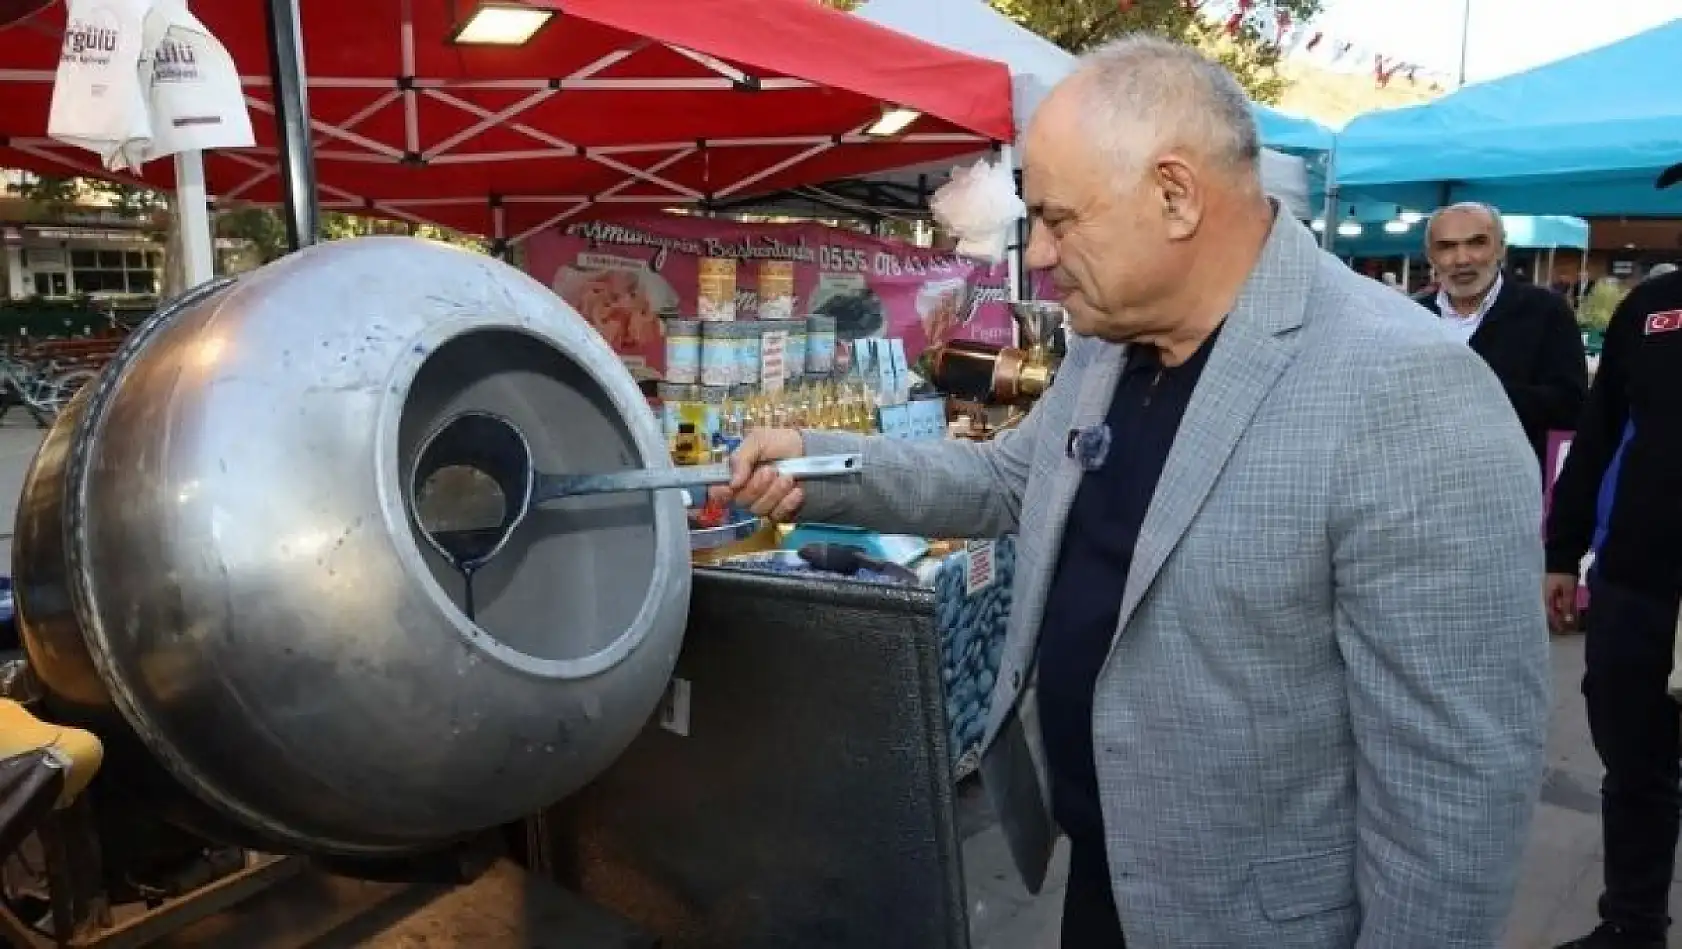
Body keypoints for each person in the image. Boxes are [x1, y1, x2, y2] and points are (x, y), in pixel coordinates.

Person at [715, 36, 1549, 949]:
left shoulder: (1407, 390)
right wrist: (818, 463)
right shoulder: (1111, 346)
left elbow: (1454, 787)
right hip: (1110, 883)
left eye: (1059, 218)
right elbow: (1006, 478)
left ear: (1176, 195)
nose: (1035, 255)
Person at [1545, 264, 1682, 949]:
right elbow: (1597, 436)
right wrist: (1561, 555)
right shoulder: (1652, 309)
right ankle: (1632, 923)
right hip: (1637, 585)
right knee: (1633, 765)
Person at [1414, 202, 1589, 464]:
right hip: (1427, 478)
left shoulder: (1544, 311)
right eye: (1447, 246)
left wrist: (1476, 392)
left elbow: (1570, 405)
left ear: (1501, 249)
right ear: (1430, 257)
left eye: (1476, 243)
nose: (1462, 259)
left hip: (1513, 481)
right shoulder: (1411, 317)